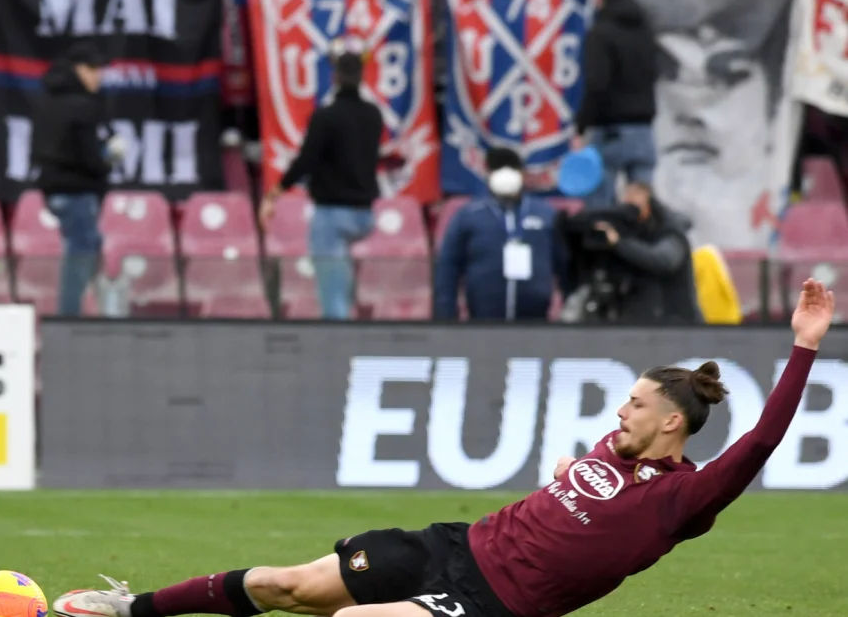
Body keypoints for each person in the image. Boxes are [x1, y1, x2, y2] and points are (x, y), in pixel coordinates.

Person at [53, 278, 833, 617]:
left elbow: (761, 437)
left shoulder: (681, 499)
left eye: (634, 402)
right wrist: (569, 474)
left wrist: (801, 347)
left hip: (491, 603)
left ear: (672, 421)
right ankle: (134, 608)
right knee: (286, 585)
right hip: (450, 546)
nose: (618, 409)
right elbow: (582, 496)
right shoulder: (613, 451)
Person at [259, 51, 384, 320]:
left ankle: (339, 346)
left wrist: (276, 191)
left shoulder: (326, 117)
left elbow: (306, 161)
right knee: (342, 273)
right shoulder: (373, 115)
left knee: (333, 297)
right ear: (362, 78)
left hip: (333, 214)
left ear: (335, 77)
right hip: (365, 213)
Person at [31, 42, 122, 316]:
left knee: (88, 248)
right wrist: (108, 158)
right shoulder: (83, 106)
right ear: (75, 70)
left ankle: (95, 310)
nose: (98, 76)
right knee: (81, 253)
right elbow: (89, 157)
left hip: (53, 192)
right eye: (91, 68)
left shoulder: (47, 100)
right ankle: (69, 318)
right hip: (77, 192)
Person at [436, 148, 567, 321]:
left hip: (536, 320)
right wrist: (446, 317)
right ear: (488, 173)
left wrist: (571, 310)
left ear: (521, 173)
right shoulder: (469, 215)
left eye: (511, 169)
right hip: (483, 318)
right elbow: (448, 267)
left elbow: (565, 265)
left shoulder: (545, 213)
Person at [573, 0, 659, 209]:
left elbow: (597, 83)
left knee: (600, 208)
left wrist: (581, 126)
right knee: (644, 208)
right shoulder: (644, 31)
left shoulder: (601, 33)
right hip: (644, 129)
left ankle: (605, 246)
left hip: (611, 130)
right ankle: (645, 246)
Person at [593, 180, 702, 323]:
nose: (630, 214)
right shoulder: (632, 236)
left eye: (634, 207)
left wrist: (621, 243)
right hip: (640, 324)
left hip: (676, 325)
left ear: (649, 206)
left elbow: (664, 261)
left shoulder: (671, 233)